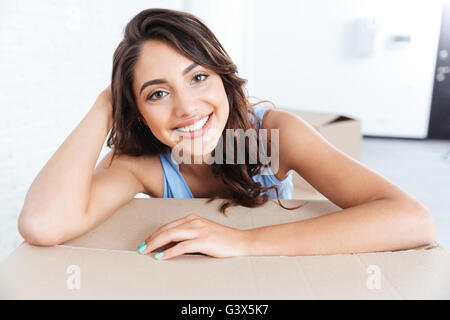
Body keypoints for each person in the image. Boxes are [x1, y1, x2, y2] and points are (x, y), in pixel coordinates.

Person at [18, 8, 435, 261]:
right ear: (139, 112)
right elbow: (42, 224)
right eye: (157, 93)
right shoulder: (141, 164)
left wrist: (245, 243)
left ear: (223, 80)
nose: (186, 108)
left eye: (198, 77)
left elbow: (412, 220)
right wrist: (105, 104)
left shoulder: (275, 134)